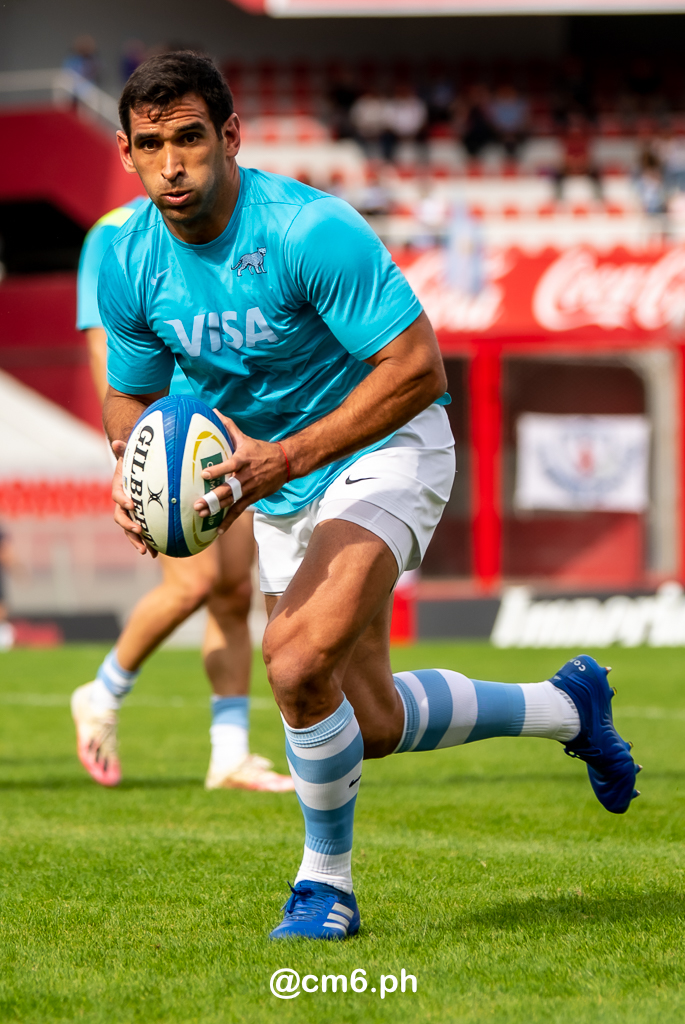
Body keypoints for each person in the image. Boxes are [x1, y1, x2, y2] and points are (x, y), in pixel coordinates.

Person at [100, 51, 640, 941]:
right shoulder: (129, 258)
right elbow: (132, 391)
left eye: (191, 138)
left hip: (384, 444)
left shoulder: (312, 231)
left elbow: (417, 369)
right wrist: (134, 468)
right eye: (151, 145)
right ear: (126, 152)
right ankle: (567, 707)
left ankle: (327, 889)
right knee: (372, 721)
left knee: (296, 660)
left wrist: (286, 457)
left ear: (230, 134)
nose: (173, 164)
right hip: (272, 484)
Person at [71, 196, 293, 794]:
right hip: (161, 446)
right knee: (191, 583)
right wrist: (128, 454)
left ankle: (229, 754)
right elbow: (105, 351)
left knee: (233, 591)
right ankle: (103, 693)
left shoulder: (220, 224)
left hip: (221, 432)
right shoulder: (115, 234)